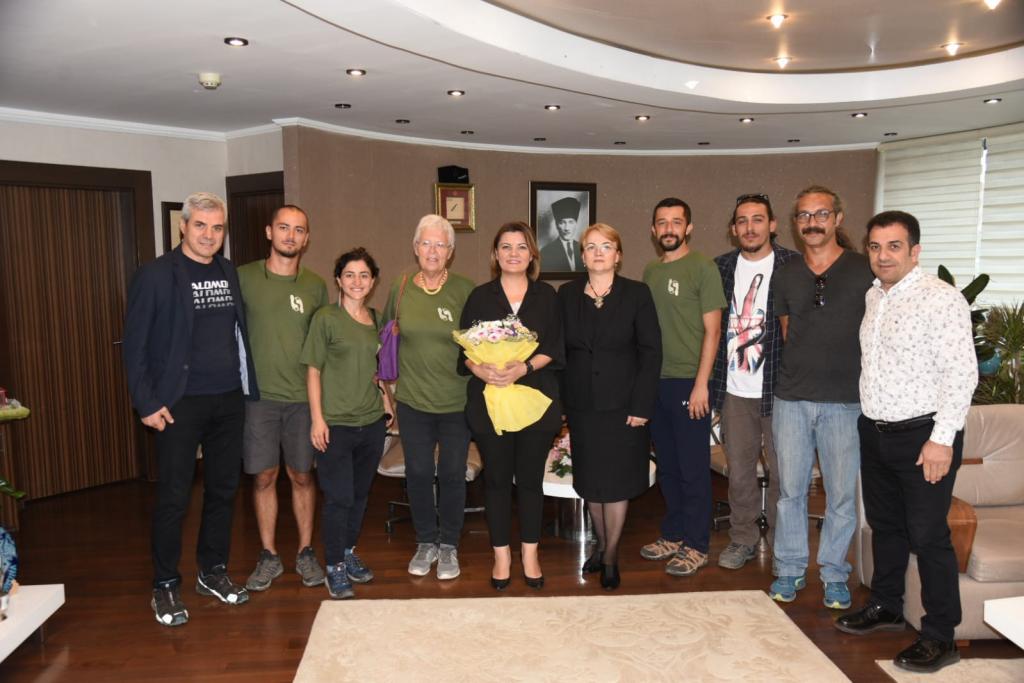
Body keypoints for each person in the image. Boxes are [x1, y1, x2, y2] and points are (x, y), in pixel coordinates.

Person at [836, 211, 977, 674]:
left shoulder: (941, 298)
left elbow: (961, 374)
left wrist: (942, 440)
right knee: (886, 527)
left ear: (915, 251)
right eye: (875, 247)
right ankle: (887, 605)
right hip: (876, 430)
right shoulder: (874, 296)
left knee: (929, 535)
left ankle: (941, 636)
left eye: (894, 246)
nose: (883, 256)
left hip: (924, 436)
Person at [123, 191, 258, 627]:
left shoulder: (227, 271)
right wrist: (147, 402)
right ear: (183, 227)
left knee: (223, 491)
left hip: (228, 399)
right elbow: (135, 346)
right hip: (178, 403)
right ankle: (164, 584)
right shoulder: (156, 275)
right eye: (200, 225)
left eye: (217, 227)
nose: (209, 235)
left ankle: (212, 571)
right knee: (174, 498)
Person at [768, 185, 874, 609]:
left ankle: (833, 574)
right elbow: (788, 332)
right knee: (790, 492)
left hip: (846, 402)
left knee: (841, 496)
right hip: (792, 399)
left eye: (821, 214)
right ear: (796, 223)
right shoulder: (786, 273)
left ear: (838, 218)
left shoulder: (864, 269)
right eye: (804, 216)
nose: (812, 222)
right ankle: (789, 569)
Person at [459, 221, 564, 590]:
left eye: (521, 247)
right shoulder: (479, 296)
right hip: (490, 403)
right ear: (496, 254)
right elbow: (463, 352)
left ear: (532, 254)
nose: (514, 253)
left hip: (536, 400)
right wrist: (481, 368)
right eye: (506, 246)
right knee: (497, 481)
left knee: (531, 482)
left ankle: (530, 554)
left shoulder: (547, 296)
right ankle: (501, 554)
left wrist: (524, 367)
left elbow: (555, 347)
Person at [558, 223, 661, 590]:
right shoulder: (567, 295)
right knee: (591, 483)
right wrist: (561, 406)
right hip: (582, 406)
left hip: (625, 407)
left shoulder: (637, 294)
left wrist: (642, 404)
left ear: (618, 255)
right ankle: (601, 547)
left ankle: (612, 556)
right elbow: (560, 352)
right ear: (582, 256)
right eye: (591, 247)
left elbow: (651, 352)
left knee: (616, 484)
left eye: (606, 246)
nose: (598, 252)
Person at [237, 205, 328, 592]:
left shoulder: (315, 286)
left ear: (307, 239)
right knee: (264, 476)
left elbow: (323, 346)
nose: (291, 236)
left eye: (299, 230)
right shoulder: (243, 278)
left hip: (302, 400)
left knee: (302, 475)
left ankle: (306, 552)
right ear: (269, 232)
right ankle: (269, 555)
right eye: (284, 228)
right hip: (257, 398)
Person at [710, 194, 799, 569]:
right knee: (740, 474)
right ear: (734, 229)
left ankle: (783, 545)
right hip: (734, 391)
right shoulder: (720, 267)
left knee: (784, 475)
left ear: (772, 224)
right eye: (742, 221)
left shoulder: (793, 265)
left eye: (757, 219)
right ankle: (742, 539)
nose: (750, 227)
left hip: (781, 391)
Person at [384, 215, 475, 580]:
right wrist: (386, 395)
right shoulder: (401, 286)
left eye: (440, 244)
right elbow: (387, 336)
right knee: (419, 473)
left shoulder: (465, 290)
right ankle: (425, 542)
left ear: (450, 252)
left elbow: (480, 344)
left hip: (456, 402)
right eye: (426, 243)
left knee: (452, 474)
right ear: (415, 248)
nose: (433, 251)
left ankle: (449, 544)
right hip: (413, 401)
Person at [301, 247, 394, 599]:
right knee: (339, 497)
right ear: (338, 280)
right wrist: (317, 419)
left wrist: (386, 402)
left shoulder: (377, 319)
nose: (357, 281)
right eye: (350, 275)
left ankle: (348, 551)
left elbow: (379, 368)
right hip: (335, 424)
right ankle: (335, 566)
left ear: (373, 282)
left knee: (358, 496)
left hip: (370, 423)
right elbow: (313, 370)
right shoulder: (325, 318)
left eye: (364, 275)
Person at [641, 198, 726, 577]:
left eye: (676, 222)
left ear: (688, 228)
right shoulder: (651, 271)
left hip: (690, 383)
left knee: (693, 469)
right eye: (662, 222)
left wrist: (701, 384)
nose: (669, 229)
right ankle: (674, 534)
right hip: (656, 382)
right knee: (669, 468)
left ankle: (697, 545)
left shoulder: (702, 268)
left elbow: (713, 331)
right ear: (653, 230)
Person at [539, 196, 586, 272]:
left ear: (576, 224)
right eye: (562, 222)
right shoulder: (546, 252)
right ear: (556, 225)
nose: (567, 228)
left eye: (571, 222)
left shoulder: (583, 249)